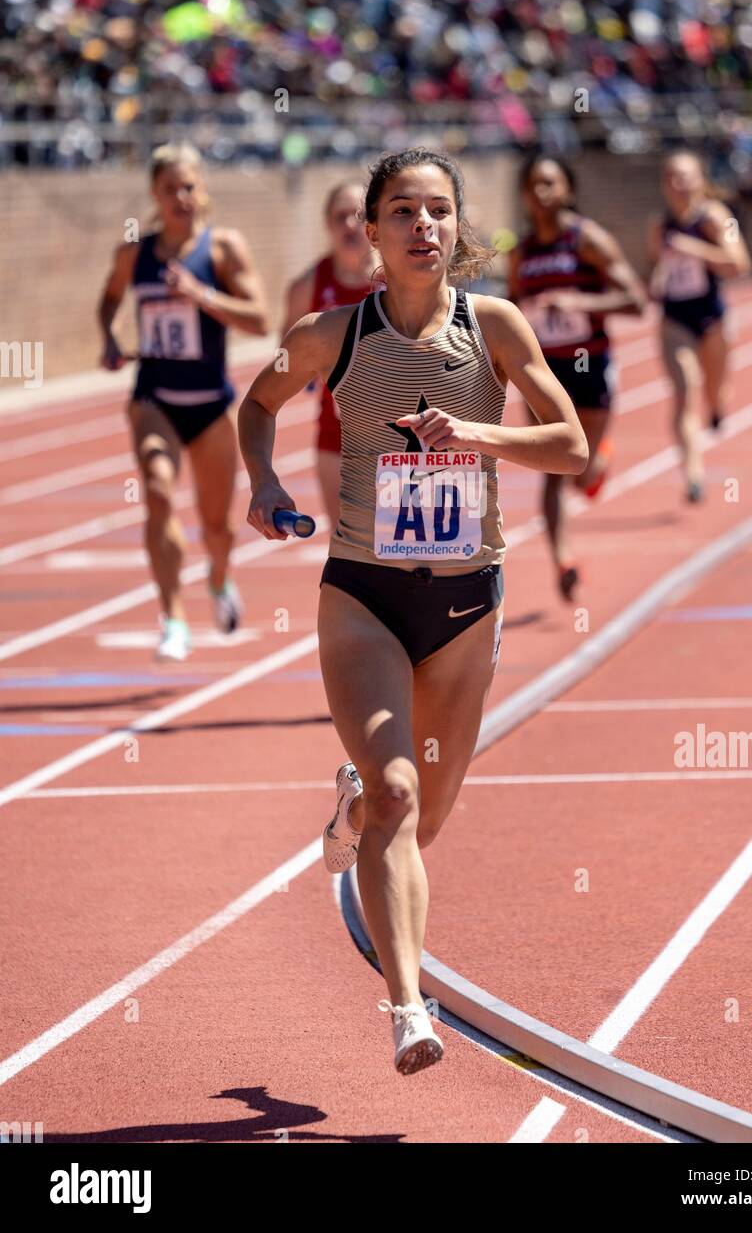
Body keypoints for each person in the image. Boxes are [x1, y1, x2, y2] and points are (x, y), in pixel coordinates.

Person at [239, 148, 588, 1074]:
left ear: (458, 228)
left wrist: (477, 432)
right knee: (399, 793)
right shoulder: (328, 334)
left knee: (417, 822)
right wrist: (264, 480)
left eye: (438, 210)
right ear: (372, 232)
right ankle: (407, 1005)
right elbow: (259, 400)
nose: (422, 226)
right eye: (403, 211)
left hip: (469, 604)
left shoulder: (499, 326)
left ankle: (352, 814)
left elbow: (572, 446)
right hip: (364, 595)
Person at [97, 142, 268, 660]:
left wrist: (201, 295)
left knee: (217, 526)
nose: (181, 197)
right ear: (154, 193)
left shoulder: (222, 249)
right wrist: (108, 336)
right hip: (154, 397)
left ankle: (218, 579)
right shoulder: (135, 252)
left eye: (189, 186)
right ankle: (172, 617)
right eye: (170, 188)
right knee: (157, 491)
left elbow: (260, 319)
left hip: (211, 404)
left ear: (203, 191)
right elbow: (108, 298)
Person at [508, 153, 647, 600]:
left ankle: (599, 458)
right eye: (534, 185)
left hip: (591, 366)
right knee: (552, 466)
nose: (542, 192)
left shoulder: (587, 240)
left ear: (568, 189)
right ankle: (563, 559)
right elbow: (510, 313)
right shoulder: (522, 255)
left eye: (550, 183)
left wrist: (579, 303)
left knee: (583, 471)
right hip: (545, 374)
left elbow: (636, 300)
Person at [647, 149, 752, 503]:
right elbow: (655, 269)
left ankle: (719, 406)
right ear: (663, 184)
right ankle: (693, 474)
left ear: (700, 181)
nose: (679, 184)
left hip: (712, 317)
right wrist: (657, 279)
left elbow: (739, 265)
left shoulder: (715, 217)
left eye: (686, 176)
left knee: (713, 393)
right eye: (672, 177)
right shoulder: (659, 226)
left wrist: (695, 248)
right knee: (684, 391)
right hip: (675, 318)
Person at [283, 181, 377, 530]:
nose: (350, 225)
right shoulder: (308, 285)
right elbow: (283, 360)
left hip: (399, 436)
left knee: (402, 552)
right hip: (335, 433)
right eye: (341, 217)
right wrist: (305, 366)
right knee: (346, 544)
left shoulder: (400, 280)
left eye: (359, 216)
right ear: (327, 225)